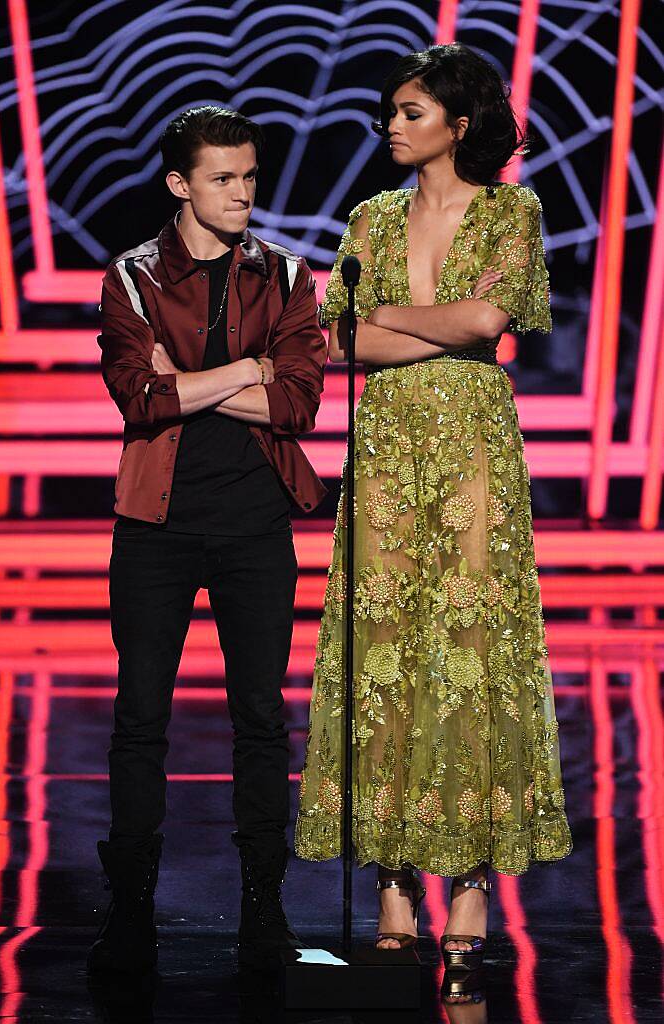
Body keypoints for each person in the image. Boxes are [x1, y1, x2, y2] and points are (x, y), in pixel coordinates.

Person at [295, 43, 572, 966]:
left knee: (469, 651)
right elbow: (340, 337)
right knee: (385, 657)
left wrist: (401, 323)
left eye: (412, 112)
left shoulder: (511, 211)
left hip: (472, 452)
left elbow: (488, 326)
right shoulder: (370, 219)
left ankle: (469, 885)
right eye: (391, 111)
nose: (393, 126)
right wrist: (435, 326)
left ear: (460, 123)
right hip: (384, 449)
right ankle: (392, 877)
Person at [89, 105, 327, 972]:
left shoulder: (289, 275)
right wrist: (245, 370)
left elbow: (299, 405)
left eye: (250, 176)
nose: (242, 193)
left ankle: (264, 907)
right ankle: (130, 912)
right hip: (156, 525)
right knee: (140, 717)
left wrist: (187, 380)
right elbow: (138, 400)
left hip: (257, 523)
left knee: (262, 720)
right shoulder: (134, 276)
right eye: (223, 178)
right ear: (179, 184)